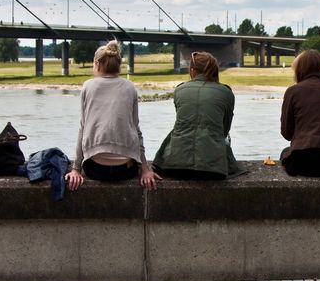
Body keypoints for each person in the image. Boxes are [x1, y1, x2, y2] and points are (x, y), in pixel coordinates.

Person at [66, 40, 159, 191]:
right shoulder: (130, 87)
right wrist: (145, 169)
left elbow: (83, 128)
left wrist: (76, 168)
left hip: (95, 169)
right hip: (125, 170)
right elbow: (136, 130)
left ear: (96, 63)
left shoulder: (88, 86)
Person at [152, 51, 242, 179]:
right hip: (213, 170)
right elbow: (224, 129)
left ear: (193, 71)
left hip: (175, 167)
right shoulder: (226, 92)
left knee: (178, 130)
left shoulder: (179, 90)